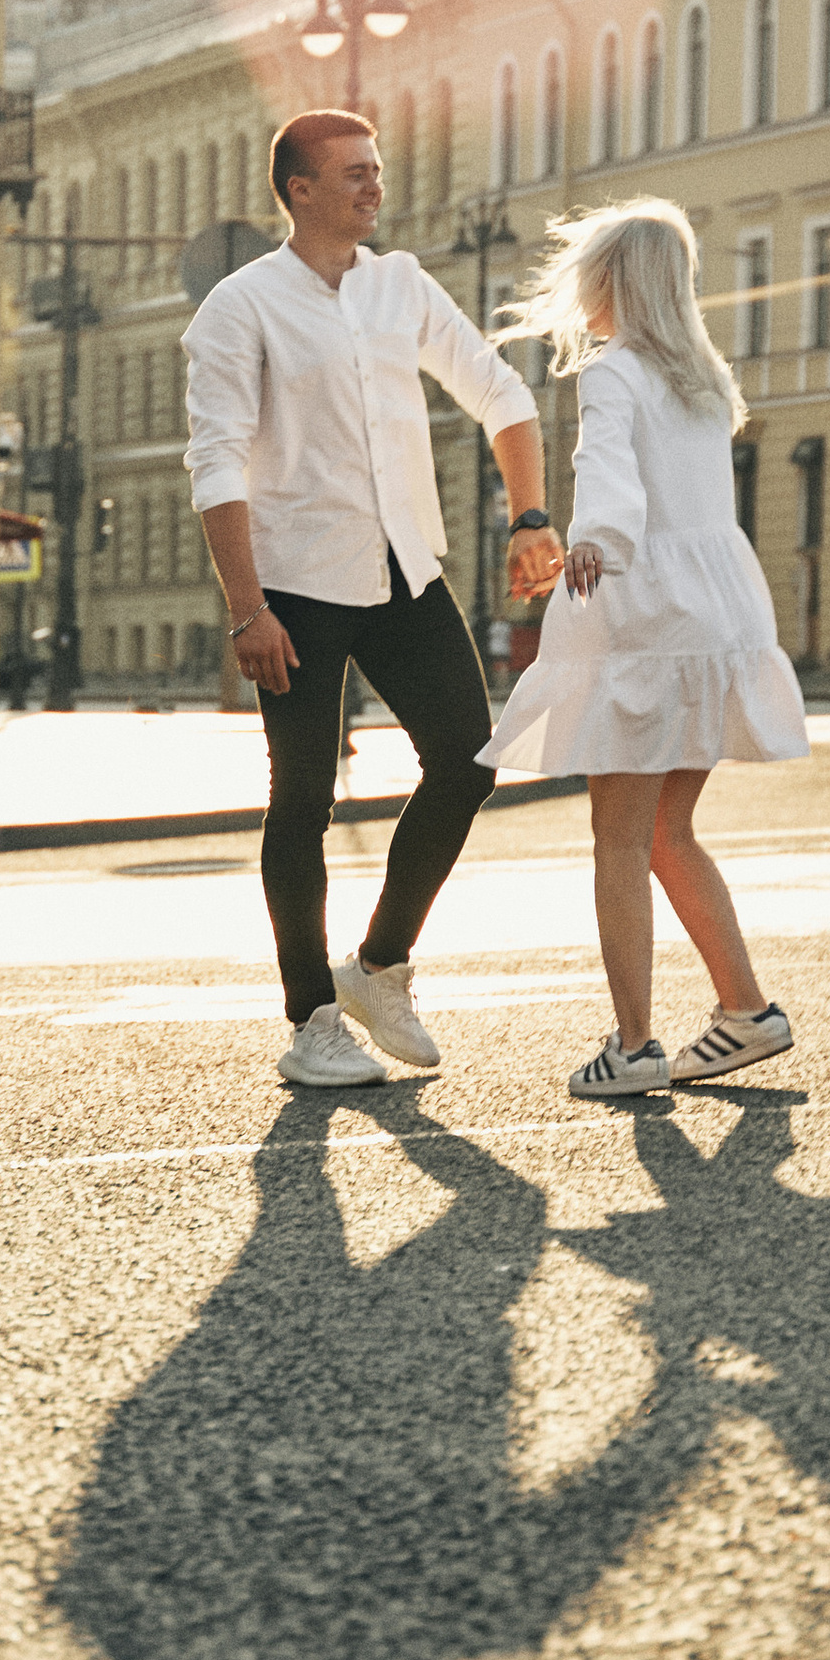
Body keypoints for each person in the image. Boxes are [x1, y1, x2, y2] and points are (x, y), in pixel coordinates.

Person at [185, 109, 563, 1088]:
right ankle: (312, 1017)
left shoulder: (402, 286)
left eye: (377, 171)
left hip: (404, 573)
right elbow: (216, 463)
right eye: (352, 173)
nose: (373, 187)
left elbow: (500, 393)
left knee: (467, 760)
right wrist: (246, 608)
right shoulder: (240, 307)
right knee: (302, 798)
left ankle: (380, 966)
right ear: (298, 190)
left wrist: (530, 518)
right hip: (294, 590)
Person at [481, 196, 806, 1100]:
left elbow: (612, 480)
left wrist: (597, 546)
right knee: (670, 831)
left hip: (642, 617)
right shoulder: (705, 379)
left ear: (614, 281)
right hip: (718, 617)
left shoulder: (612, 373)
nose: (579, 290)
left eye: (589, 272)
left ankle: (632, 1048)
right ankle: (745, 1012)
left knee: (618, 837)